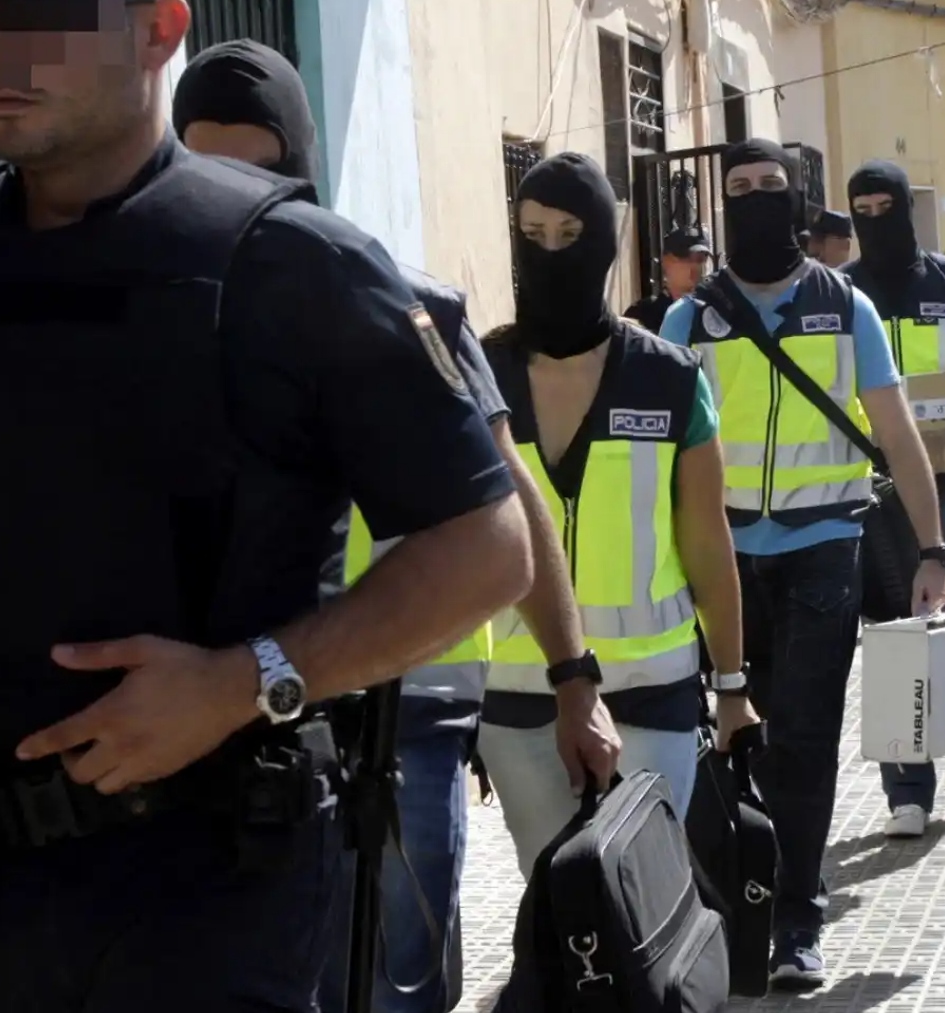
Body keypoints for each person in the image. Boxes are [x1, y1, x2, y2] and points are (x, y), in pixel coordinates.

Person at [0, 3, 533, 1012]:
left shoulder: (294, 267)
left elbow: (486, 547)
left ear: (161, 29)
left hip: (218, 895)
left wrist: (245, 681)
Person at [170, 41, 616, 1013]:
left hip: (398, 712)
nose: (238, 195)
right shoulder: (158, 320)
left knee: (398, 980)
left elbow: (512, 503)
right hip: (218, 718)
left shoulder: (392, 302)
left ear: (303, 164)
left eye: (260, 165)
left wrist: (574, 675)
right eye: (210, 168)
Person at [658, 137, 945, 988]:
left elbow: (896, 432)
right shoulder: (691, 319)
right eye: (738, 187)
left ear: (794, 200)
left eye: (769, 187)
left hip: (826, 546)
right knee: (728, 734)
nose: (754, 198)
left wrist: (932, 548)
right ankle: (728, 900)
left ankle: (796, 919)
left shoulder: (844, 305)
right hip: (721, 560)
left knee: (806, 737)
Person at [478, 151, 760, 880]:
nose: (547, 252)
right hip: (518, 695)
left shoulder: (669, 377)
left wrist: (731, 686)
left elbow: (707, 544)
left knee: (646, 890)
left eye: (569, 234)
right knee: (554, 895)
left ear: (604, 241)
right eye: (530, 233)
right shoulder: (485, 372)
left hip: (653, 692)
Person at [842, 159, 945, 839]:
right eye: (863, 209)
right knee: (891, 632)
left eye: (886, 205)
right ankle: (905, 789)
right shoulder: (843, 292)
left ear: (907, 208)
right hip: (875, 484)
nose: (874, 219)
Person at [623, 224, 712, 334]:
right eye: (685, 258)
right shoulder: (643, 313)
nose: (694, 266)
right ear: (666, 261)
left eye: (700, 259)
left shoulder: (714, 311)